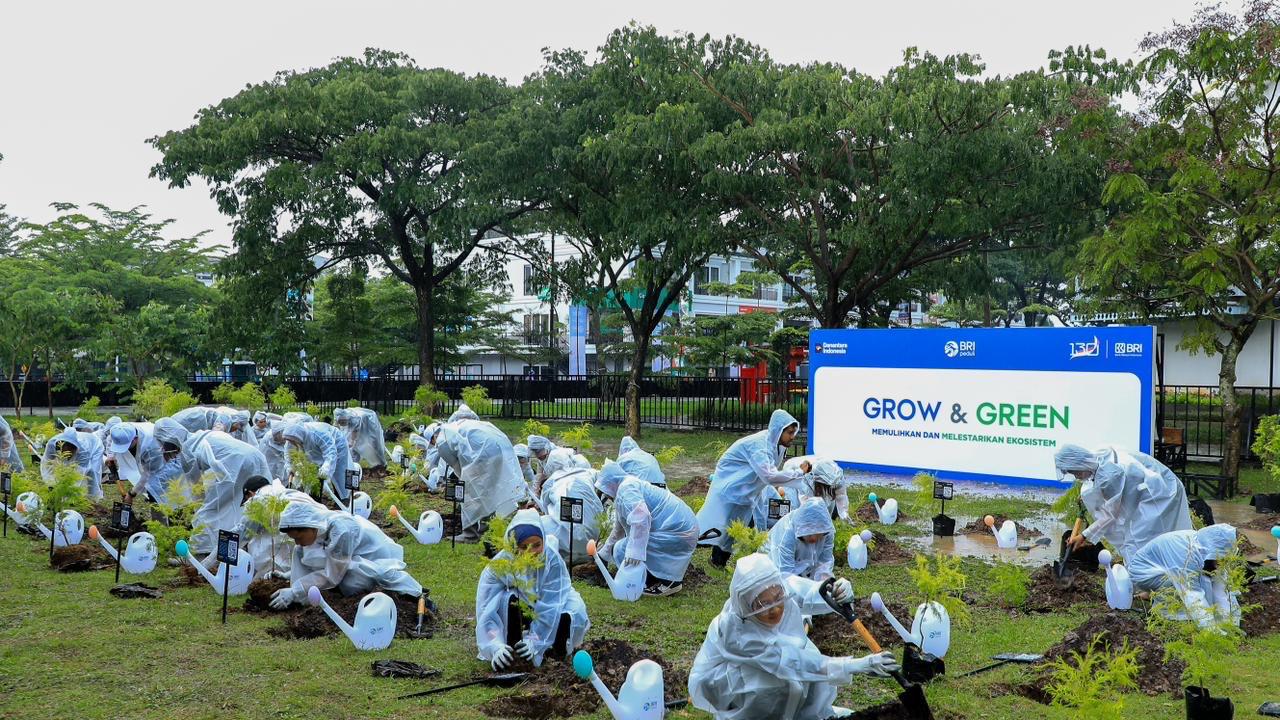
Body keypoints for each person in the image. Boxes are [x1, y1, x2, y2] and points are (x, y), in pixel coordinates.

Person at [688, 553, 898, 720]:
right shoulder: (736, 632)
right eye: (763, 606)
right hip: (720, 683)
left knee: (810, 657)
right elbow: (791, 663)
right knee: (773, 681)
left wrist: (835, 589)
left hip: (776, 659)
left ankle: (812, 716)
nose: (775, 610)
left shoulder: (774, 589)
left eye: (778, 599)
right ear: (746, 606)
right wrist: (856, 665)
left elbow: (808, 592)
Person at [474, 509, 590, 669]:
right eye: (525, 547)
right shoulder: (498, 566)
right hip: (522, 606)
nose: (533, 552)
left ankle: (556, 651)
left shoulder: (552, 561)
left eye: (537, 545)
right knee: (504, 599)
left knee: (572, 611)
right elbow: (486, 609)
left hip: (554, 602)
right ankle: (510, 647)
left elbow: (551, 605)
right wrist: (495, 645)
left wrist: (535, 641)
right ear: (514, 547)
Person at [696, 409, 810, 568]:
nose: (793, 436)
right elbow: (769, 476)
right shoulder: (759, 446)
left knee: (738, 526)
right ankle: (685, 546)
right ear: (779, 430)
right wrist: (798, 472)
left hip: (750, 488)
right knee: (715, 526)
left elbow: (772, 474)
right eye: (790, 432)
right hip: (731, 487)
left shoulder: (777, 445)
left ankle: (720, 562)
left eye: (794, 432)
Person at [270, 501, 422, 608]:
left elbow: (332, 575)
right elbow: (323, 558)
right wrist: (290, 575)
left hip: (374, 557)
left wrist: (295, 590)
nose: (297, 542)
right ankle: (303, 600)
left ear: (310, 527)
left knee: (351, 582)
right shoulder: (319, 528)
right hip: (347, 557)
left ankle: (414, 593)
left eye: (298, 537)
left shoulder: (341, 531)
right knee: (299, 551)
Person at [1054, 444, 1192, 560]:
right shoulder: (1098, 457)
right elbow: (1100, 486)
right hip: (1149, 488)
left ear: (1080, 463)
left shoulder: (1109, 476)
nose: (1076, 476)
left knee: (1140, 541)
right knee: (1137, 540)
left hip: (1158, 495)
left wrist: (1084, 535)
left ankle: (1147, 585)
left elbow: (1110, 516)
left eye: (1074, 471)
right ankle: (1148, 582)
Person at [595, 460, 699, 596]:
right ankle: (653, 580)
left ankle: (668, 583)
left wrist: (635, 552)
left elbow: (641, 518)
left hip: (677, 533)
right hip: (681, 530)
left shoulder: (627, 489)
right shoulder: (628, 487)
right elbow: (618, 530)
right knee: (621, 547)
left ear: (610, 484)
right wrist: (602, 556)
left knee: (623, 549)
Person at [170, 425, 271, 566]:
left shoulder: (187, 450)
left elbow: (196, 486)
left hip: (235, 464)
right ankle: (232, 554)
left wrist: (198, 508)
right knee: (244, 508)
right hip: (254, 456)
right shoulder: (206, 434)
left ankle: (198, 556)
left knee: (207, 513)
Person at [1128, 524, 1240, 629]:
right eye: (1221, 559)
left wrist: (1232, 624)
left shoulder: (1208, 549)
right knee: (1183, 588)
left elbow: (1222, 590)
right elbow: (1193, 595)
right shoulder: (1187, 555)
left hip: (1164, 565)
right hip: (1145, 572)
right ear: (1215, 550)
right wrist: (1212, 630)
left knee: (1207, 582)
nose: (1222, 563)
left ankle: (1151, 594)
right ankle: (1167, 613)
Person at [434, 422, 526, 542]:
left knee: (472, 494)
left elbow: (457, 466)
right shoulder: (456, 428)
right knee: (490, 492)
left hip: (485, 454)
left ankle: (470, 534)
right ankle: (490, 527)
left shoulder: (442, 440)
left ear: (434, 436)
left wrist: (465, 483)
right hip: (500, 449)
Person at [761, 498, 850, 613]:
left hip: (799, 566)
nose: (813, 539)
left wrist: (824, 586)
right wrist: (801, 607)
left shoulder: (827, 532)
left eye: (818, 534)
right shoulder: (787, 535)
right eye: (809, 534)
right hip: (772, 565)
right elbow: (785, 576)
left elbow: (824, 563)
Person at [236, 476, 324, 579]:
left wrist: (213, 561)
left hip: (308, 539)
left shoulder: (259, 500)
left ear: (251, 494)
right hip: (320, 529)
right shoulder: (289, 493)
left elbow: (240, 533)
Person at [536, 449, 603, 565]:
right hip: (595, 536)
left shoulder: (550, 482)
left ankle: (561, 553)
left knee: (537, 523)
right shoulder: (586, 473)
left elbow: (545, 508)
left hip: (569, 540)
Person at [278, 421, 352, 502]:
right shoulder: (292, 437)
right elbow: (288, 454)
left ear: (298, 436)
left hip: (337, 443)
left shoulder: (318, 434)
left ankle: (343, 500)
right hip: (318, 448)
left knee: (339, 474)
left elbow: (330, 454)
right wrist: (290, 467)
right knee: (313, 471)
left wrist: (325, 471)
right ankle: (315, 500)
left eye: (292, 441)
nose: (290, 443)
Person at [41, 426, 106, 500]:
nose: (68, 456)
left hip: (95, 446)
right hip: (83, 444)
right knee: (66, 468)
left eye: (70, 452)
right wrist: (50, 483)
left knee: (93, 471)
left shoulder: (84, 450)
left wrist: (67, 495)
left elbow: (79, 474)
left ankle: (94, 497)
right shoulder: (51, 444)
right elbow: (46, 464)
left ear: (75, 449)